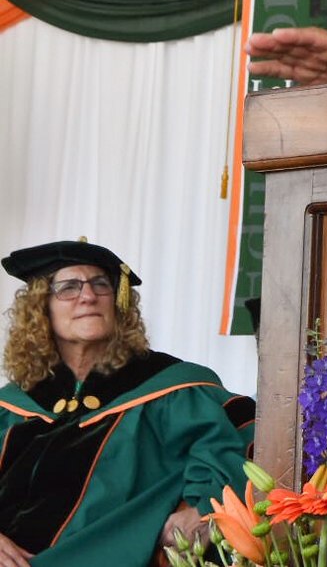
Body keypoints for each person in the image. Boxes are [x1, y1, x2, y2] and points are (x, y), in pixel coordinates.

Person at [0, 240, 255, 566]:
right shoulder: (13, 406)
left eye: (101, 284)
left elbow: (230, 443)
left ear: (118, 303)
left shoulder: (171, 386)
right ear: (41, 308)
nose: (88, 296)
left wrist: (203, 508)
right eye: (69, 287)